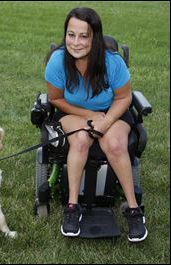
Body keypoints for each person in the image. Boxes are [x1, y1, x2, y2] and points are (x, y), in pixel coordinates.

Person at [45, 7, 148, 242]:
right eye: (71, 35)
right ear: (65, 34)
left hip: (113, 111)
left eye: (84, 36)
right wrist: (88, 114)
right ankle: (72, 207)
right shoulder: (58, 61)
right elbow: (56, 99)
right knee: (80, 141)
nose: (76, 42)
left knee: (115, 144)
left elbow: (124, 98)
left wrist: (107, 120)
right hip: (73, 111)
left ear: (95, 37)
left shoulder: (112, 62)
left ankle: (134, 210)